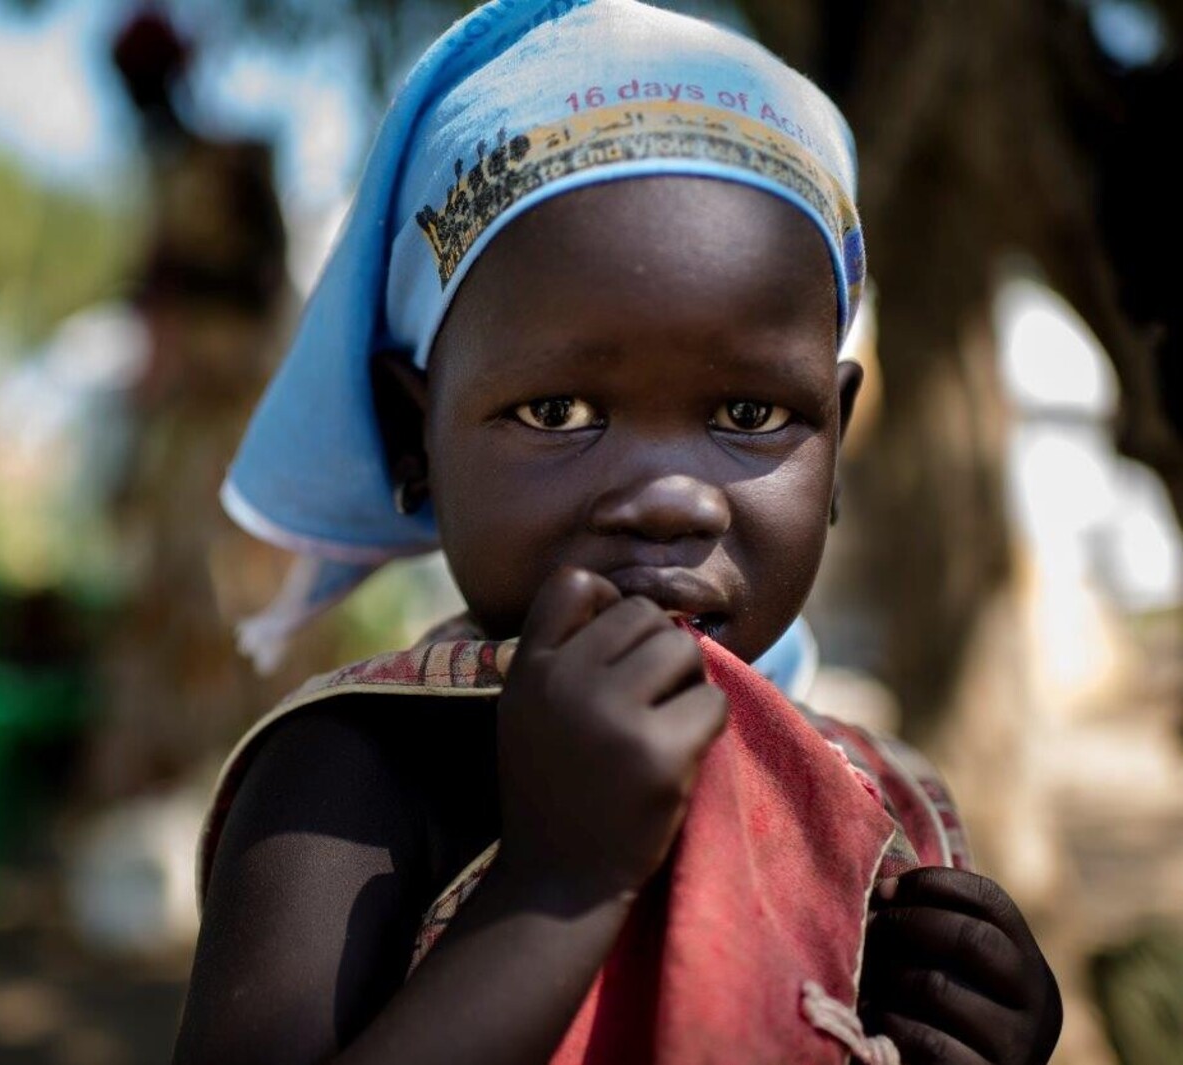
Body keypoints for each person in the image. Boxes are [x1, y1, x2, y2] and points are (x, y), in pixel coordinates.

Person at [174, 2, 1063, 1063]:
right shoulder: (353, 779)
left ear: (834, 439)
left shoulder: (870, 806)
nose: (671, 500)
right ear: (417, 435)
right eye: (558, 414)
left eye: (748, 416)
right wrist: (558, 884)